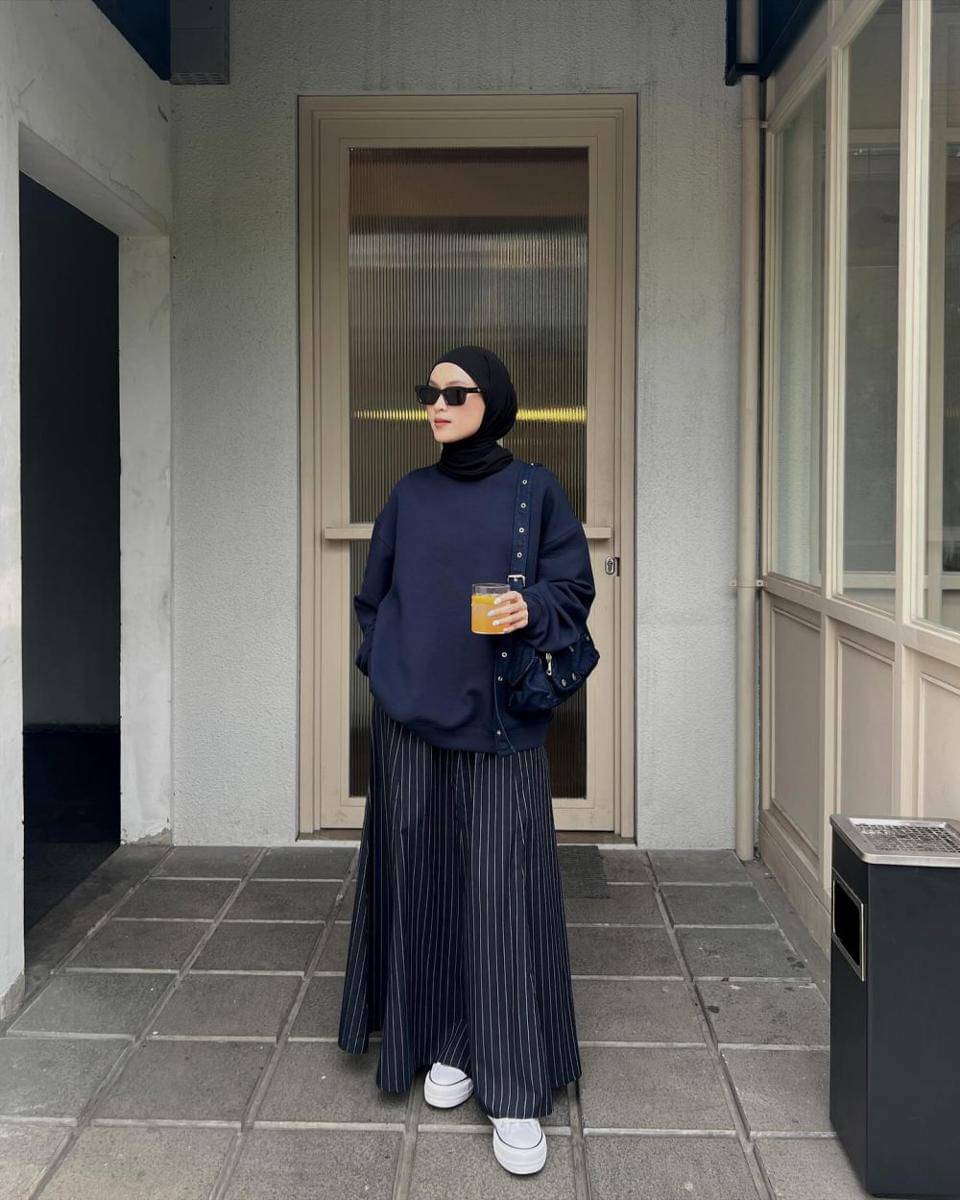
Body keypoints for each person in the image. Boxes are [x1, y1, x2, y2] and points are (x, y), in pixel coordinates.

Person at [337, 344, 595, 1176]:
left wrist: (531, 605)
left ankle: (513, 1083)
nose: (438, 406)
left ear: (496, 402)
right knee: (426, 882)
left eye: (456, 392)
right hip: (409, 724)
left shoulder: (534, 491)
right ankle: (448, 1038)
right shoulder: (409, 493)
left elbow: (574, 589)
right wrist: (384, 663)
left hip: (499, 723)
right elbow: (373, 599)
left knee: (500, 889)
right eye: (429, 393)